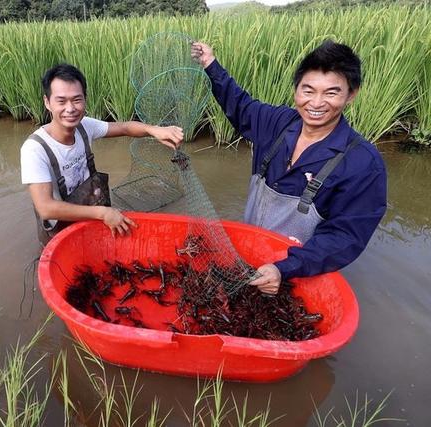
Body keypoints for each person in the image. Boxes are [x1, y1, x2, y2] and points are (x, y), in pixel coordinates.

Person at [191, 40, 387, 294]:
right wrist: (210, 64)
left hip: (299, 274)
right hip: (248, 258)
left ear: (351, 94)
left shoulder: (363, 164)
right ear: (296, 89)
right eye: (308, 90)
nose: (316, 103)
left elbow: (345, 237)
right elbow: (240, 106)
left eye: (331, 93)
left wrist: (285, 268)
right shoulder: (278, 123)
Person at [20, 63, 183, 245]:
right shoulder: (34, 149)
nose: (70, 108)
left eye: (76, 99)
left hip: (91, 218)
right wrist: (103, 213)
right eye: (61, 101)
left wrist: (154, 130)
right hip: (60, 231)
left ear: (85, 100)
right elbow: (46, 208)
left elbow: (124, 127)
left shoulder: (85, 127)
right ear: (47, 102)